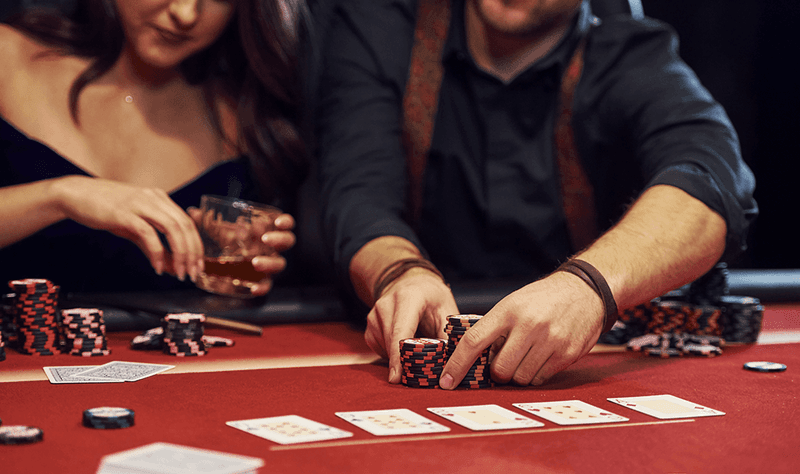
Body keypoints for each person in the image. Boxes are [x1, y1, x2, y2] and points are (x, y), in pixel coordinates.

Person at [316, 0, 757, 388]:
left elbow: (710, 181)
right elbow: (358, 193)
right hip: (411, 327)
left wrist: (590, 287)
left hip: (570, 366)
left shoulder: (629, 52)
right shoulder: (381, 25)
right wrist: (400, 272)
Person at [0, 0, 308, 294]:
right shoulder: (8, 57)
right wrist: (60, 196)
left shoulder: (243, 121)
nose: (186, 13)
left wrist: (230, 281)